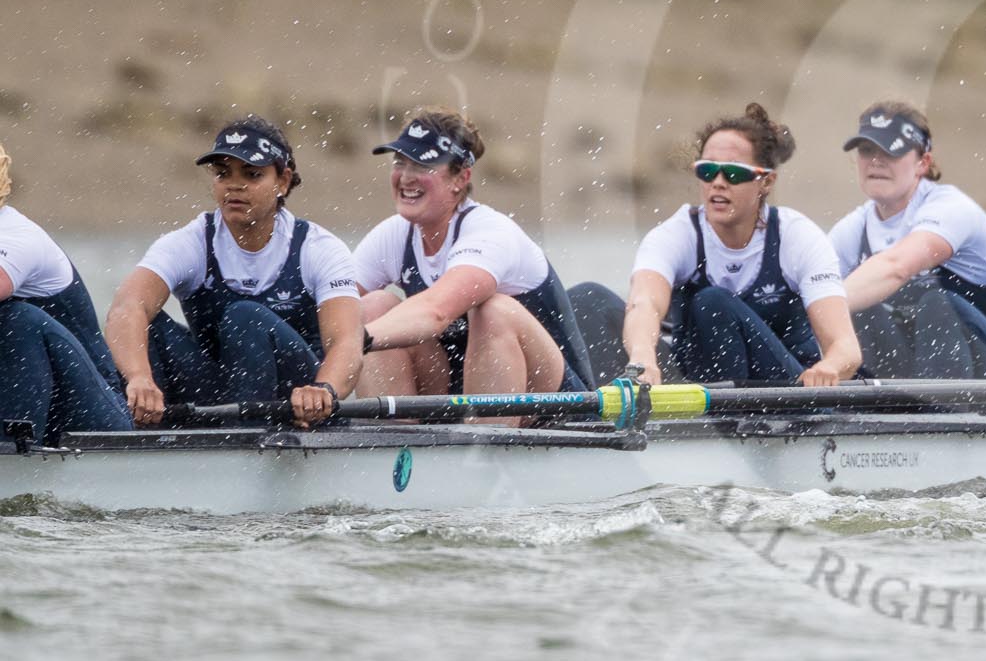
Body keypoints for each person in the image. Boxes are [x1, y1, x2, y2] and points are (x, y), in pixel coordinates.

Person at [103, 118, 361, 427]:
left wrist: (324, 389)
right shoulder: (191, 241)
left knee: (245, 317)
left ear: (283, 181)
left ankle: (247, 440)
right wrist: (139, 377)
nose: (234, 186)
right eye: (223, 174)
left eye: (252, 175)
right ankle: (146, 435)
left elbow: (346, 343)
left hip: (297, 399)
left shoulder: (319, 248)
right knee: (150, 327)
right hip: (222, 394)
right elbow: (126, 306)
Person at [594, 103, 860, 386]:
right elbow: (644, 302)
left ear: (766, 181)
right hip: (703, 387)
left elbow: (846, 348)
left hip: (788, 392)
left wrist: (830, 367)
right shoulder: (676, 234)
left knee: (713, 302)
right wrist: (642, 358)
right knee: (591, 299)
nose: (718, 183)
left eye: (734, 174)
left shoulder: (798, 237)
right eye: (708, 171)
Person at [353, 108, 595, 399]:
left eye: (422, 166)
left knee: (494, 312)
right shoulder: (394, 234)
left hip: (557, 404)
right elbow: (330, 309)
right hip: (456, 398)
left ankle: (487, 437)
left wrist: (355, 341)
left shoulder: (490, 232)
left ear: (460, 178)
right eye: (400, 163)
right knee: (370, 307)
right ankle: (396, 437)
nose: (406, 177)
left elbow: (436, 312)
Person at [828, 101, 986, 379]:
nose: (876, 160)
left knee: (936, 304)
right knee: (859, 311)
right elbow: (810, 293)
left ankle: (933, 417)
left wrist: (823, 305)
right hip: (917, 380)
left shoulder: (953, 209)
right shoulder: (852, 229)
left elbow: (897, 266)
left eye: (891, 149)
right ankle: (872, 410)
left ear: (923, 163)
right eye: (867, 150)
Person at [0, 140, 133, 440]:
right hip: (37, 405)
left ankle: (12, 454)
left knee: (16, 319)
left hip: (95, 418)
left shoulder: (16, 237)